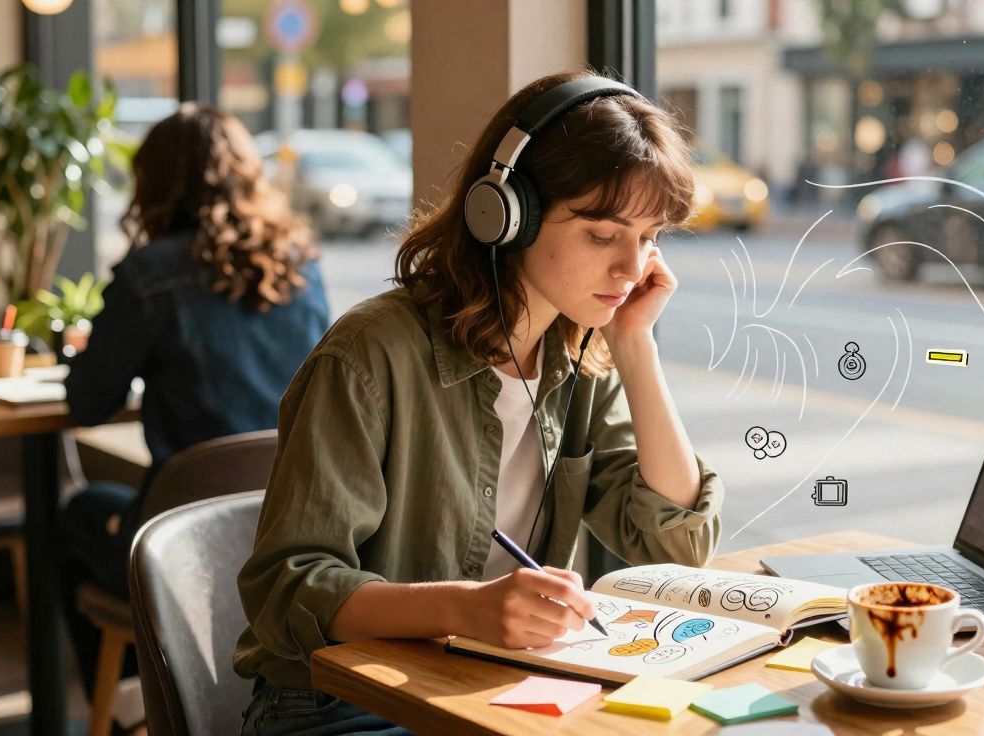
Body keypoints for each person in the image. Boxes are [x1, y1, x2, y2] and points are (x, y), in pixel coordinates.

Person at [234, 70, 726, 735]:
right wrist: (465, 609)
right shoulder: (371, 355)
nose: (632, 270)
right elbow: (288, 587)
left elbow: (674, 541)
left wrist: (635, 346)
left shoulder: (582, 351)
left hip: (486, 688)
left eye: (649, 237)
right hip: (344, 705)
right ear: (507, 214)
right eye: (602, 235)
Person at [58, 103, 330, 731]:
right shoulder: (300, 262)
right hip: (292, 541)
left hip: (181, 544)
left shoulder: (149, 275)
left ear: (154, 183)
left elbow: (87, 402)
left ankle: (125, 705)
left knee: (77, 514)